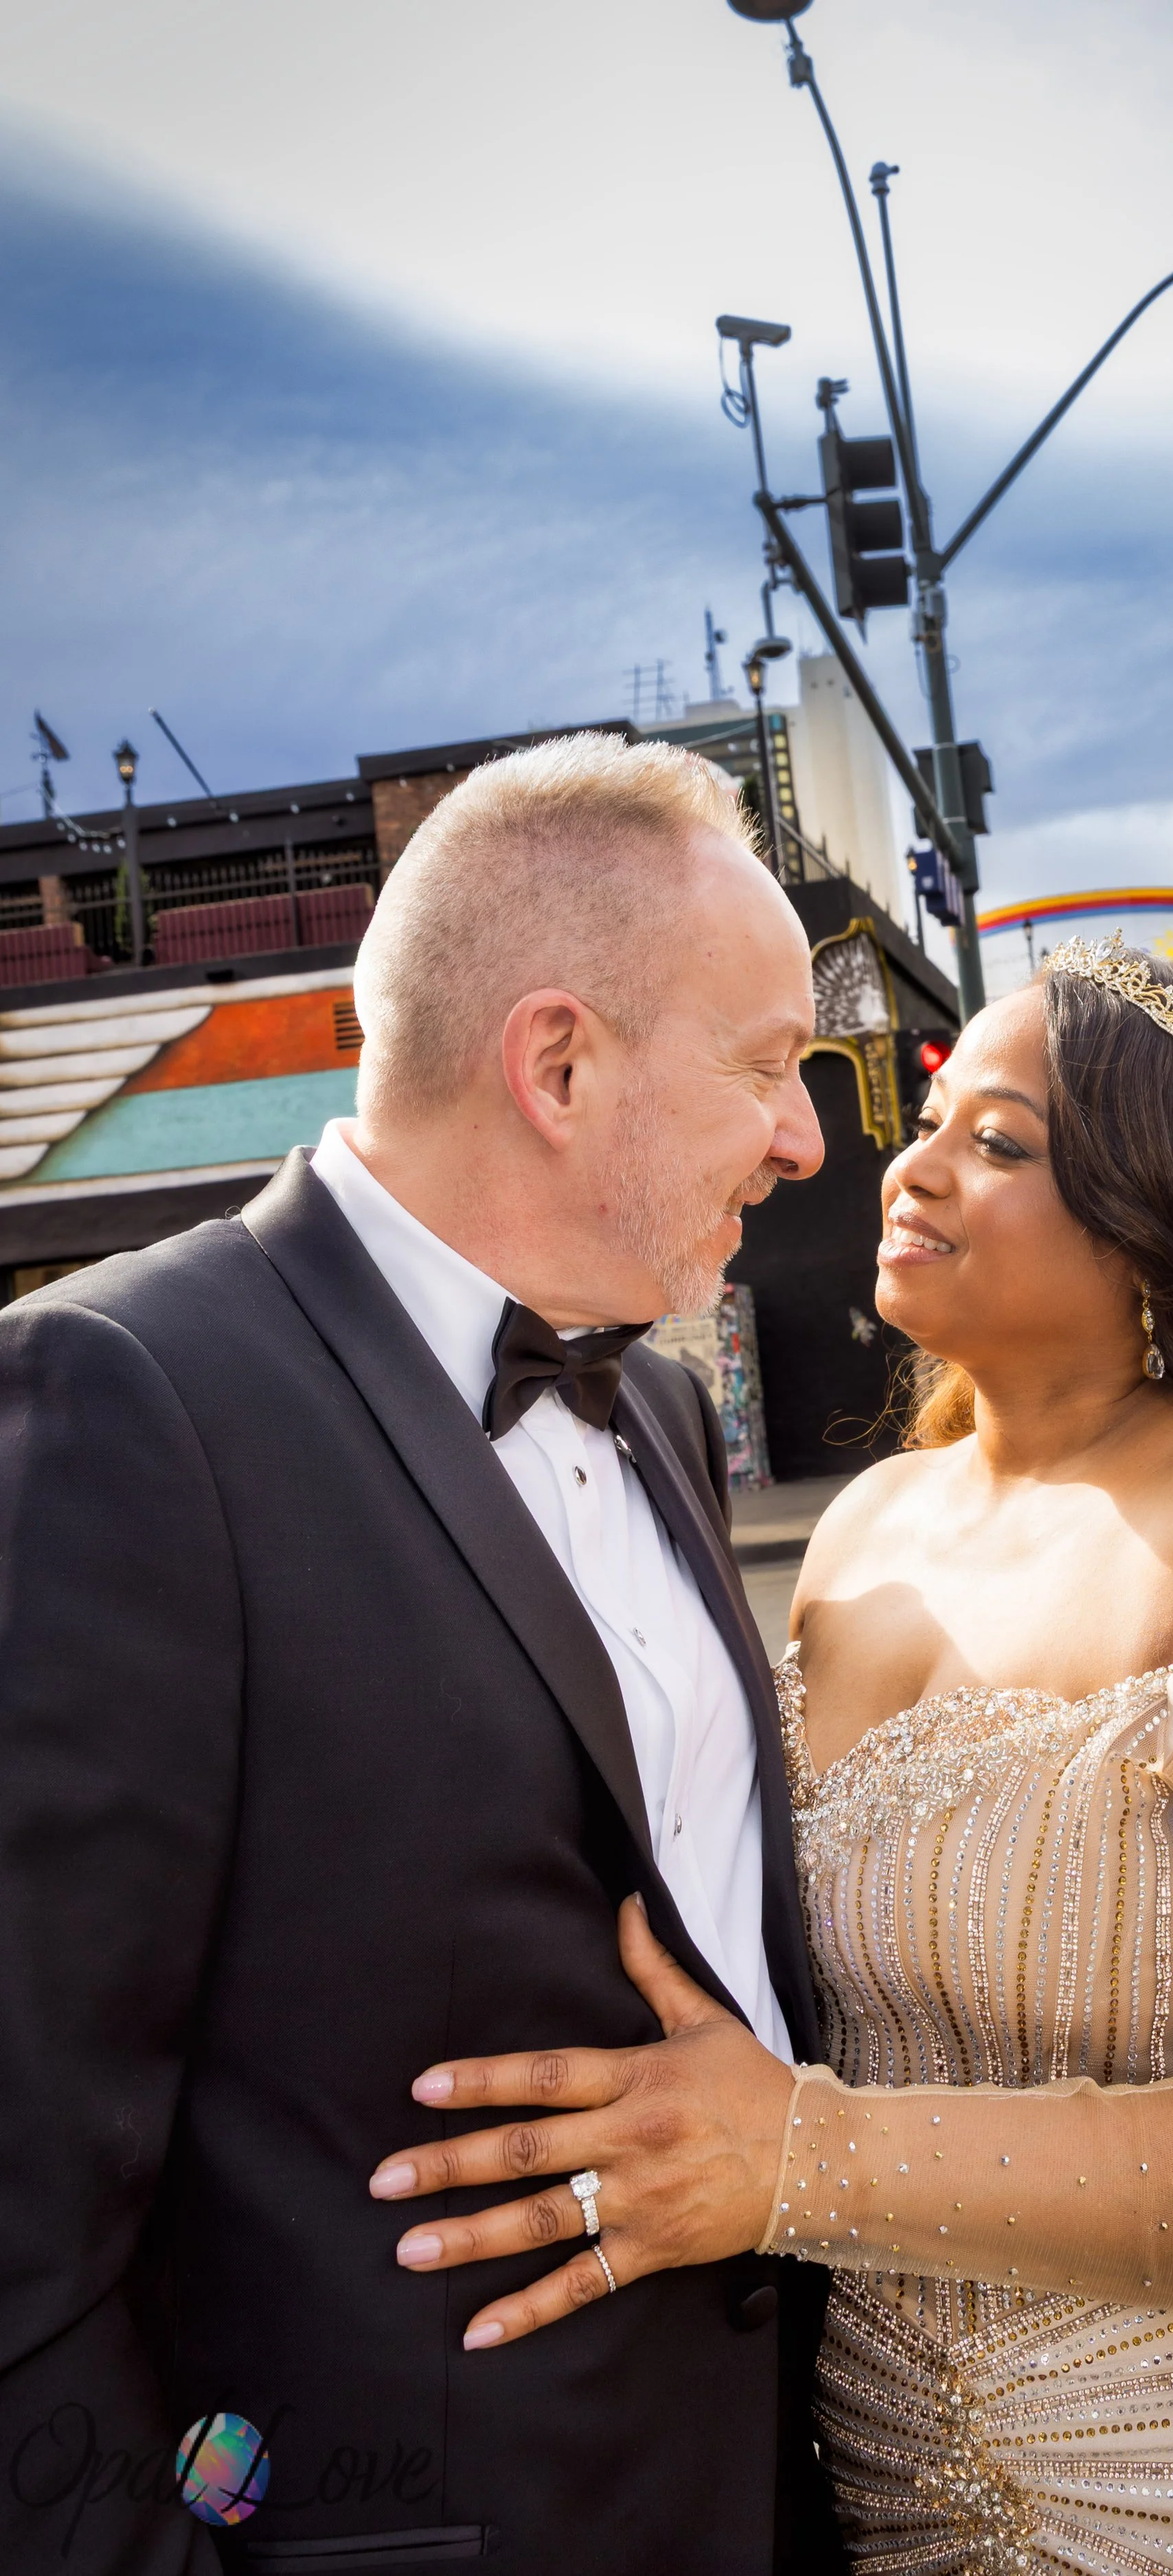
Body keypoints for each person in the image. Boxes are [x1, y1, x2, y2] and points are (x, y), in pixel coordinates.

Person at [378, 938, 1173, 2576]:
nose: (906, 1169)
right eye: (926, 1123)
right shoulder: (866, 1528)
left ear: (1165, 1216)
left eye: (998, 1142)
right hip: (879, 2497)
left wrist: (795, 2158)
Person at [0, 736, 845, 2573]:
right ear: (557, 1061)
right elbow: (20, 2226)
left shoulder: (667, 1412)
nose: (805, 1138)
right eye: (770, 1063)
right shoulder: (122, 1397)